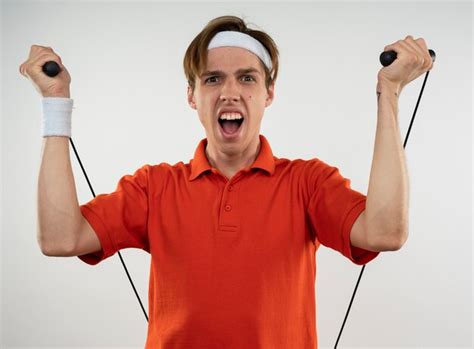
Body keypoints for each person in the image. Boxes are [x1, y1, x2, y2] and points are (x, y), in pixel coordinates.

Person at [20, 15, 433, 349]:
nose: (229, 93)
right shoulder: (155, 187)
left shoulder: (306, 182)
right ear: (192, 95)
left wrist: (390, 91)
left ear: (269, 94)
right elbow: (60, 238)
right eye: (213, 79)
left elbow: (385, 231)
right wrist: (55, 102)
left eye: (247, 78)